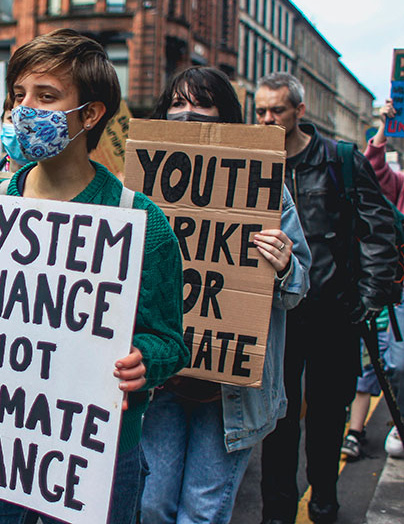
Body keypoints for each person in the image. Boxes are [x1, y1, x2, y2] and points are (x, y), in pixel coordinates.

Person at [0, 29, 190, 523]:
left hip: (92, 453)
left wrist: (148, 360)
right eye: (19, 95)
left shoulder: (140, 223)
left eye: (45, 96)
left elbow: (170, 340)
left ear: (90, 114)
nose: (24, 109)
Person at [139, 66, 311, 524]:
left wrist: (283, 264)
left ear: (226, 117)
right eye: (176, 103)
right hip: (163, 380)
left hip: (230, 389)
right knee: (152, 505)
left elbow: (298, 287)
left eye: (201, 104)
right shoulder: (138, 190)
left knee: (202, 511)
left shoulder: (268, 188)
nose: (187, 114)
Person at [255, 73, 398, 524]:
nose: (266, 119)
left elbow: (382, 229)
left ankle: (323, 501)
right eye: (260, 110)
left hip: (334, 315)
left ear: (300, 111)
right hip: (278, 315)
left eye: (276, 110)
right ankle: (277, 511)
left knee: (325, 420)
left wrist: (369, 297)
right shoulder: (255, 161)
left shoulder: (341, 158)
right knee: (276, 422)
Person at [345, 98, 404, 460]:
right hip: (399, 294)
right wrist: (384, 126)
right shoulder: (398, 184)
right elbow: (376, 169)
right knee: (395, 365)